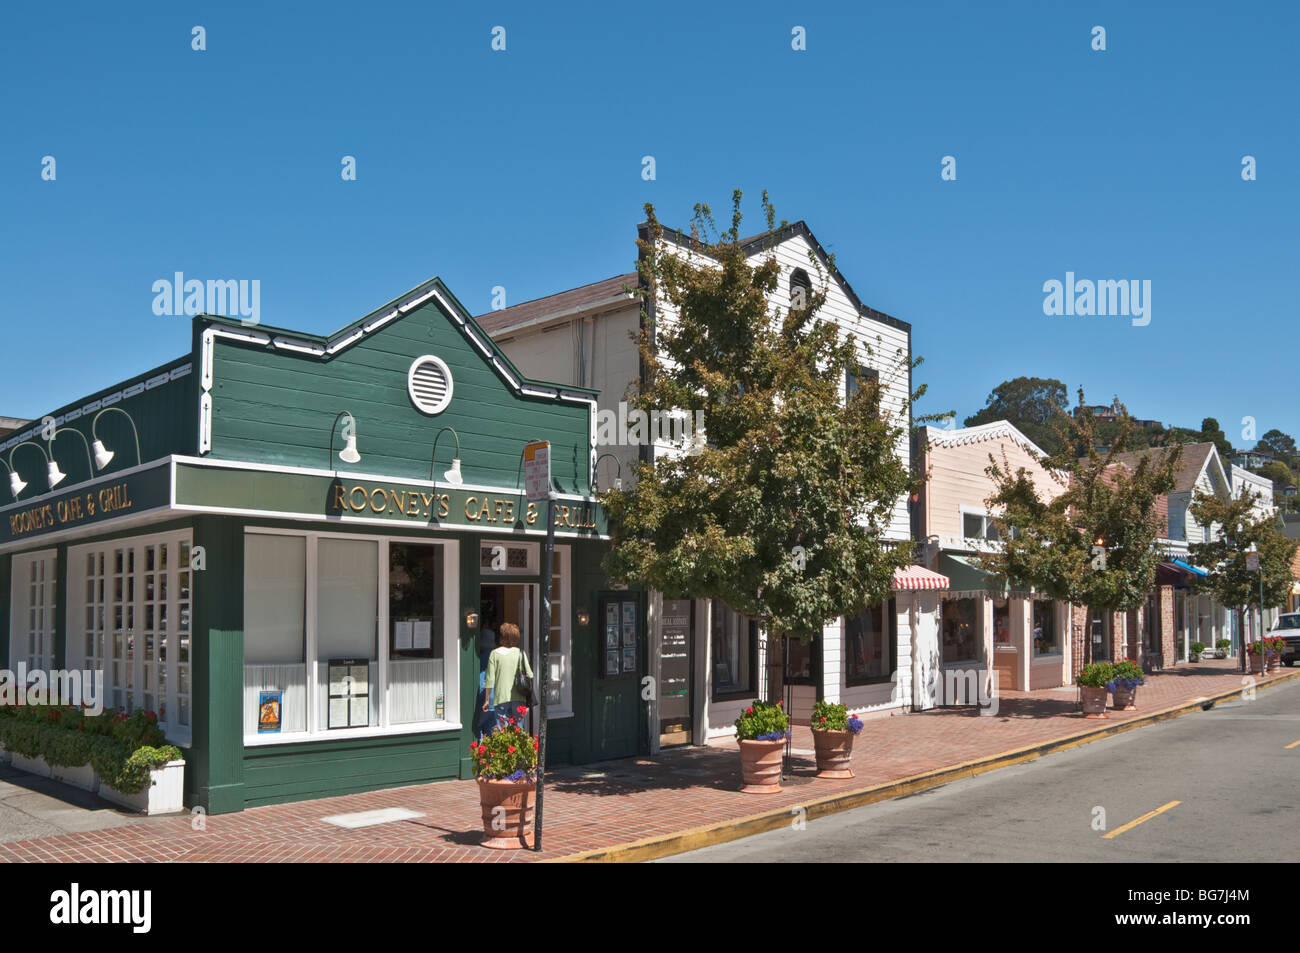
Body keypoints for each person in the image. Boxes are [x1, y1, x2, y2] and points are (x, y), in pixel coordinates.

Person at [482, 622, 533, 736]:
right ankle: (519, 754)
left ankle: (506, 753)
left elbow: (490, 679)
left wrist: (487, 700)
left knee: (503, 733)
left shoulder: (494, 654)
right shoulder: (521, 653)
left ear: (502, 637)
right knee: (518, 732)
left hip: (501, 698)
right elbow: (530, 675)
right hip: (519, 697)